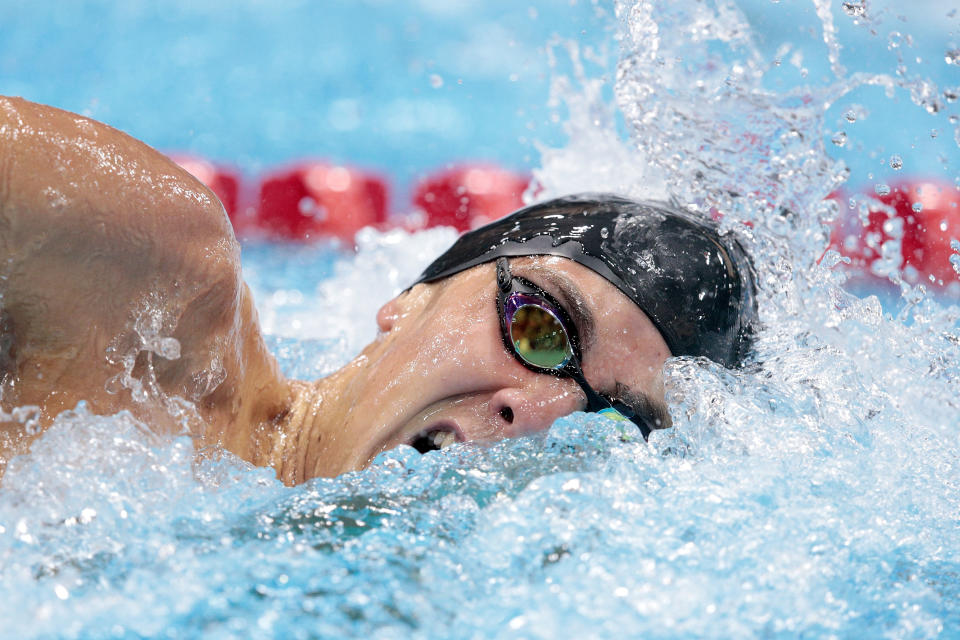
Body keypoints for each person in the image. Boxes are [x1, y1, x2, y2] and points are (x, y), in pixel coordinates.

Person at [0, 96, 757, 483]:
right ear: (411, 298)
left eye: (614, 419)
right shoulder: (150, 270)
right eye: (541, 329)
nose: (537, 411)